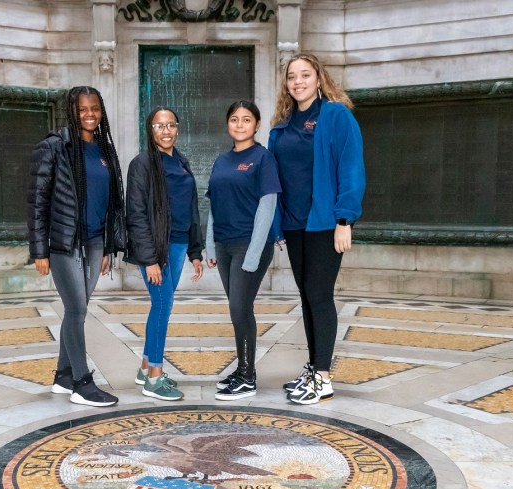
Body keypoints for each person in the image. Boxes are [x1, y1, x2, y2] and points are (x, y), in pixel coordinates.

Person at [269, 53, 365, 405]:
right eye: (292, 76)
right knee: (307, 296)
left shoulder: (336, 115)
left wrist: (345, 220)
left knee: (320, 295)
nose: (298, 81)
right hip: (295, 226)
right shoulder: (281, 125)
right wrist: (277, 224)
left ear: (318, 78)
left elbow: (351, 168)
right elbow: (275, 178)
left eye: (305, 75)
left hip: (325, 223)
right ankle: (314, 367)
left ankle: (323, 377)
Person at [27, 86, 125, 407]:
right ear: (72, 111)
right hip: (64, 242)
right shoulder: (55, 147)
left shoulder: (104, 149)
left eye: (94, 108)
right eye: (82, 109)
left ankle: (63, 375)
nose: (89, 115)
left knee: (76, 311)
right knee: (77, 309)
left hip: (95, 241)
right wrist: (40, 250)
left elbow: (112, 203)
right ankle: (82, 384)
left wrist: (109, 246)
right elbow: (38, 201)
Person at [126, 107, 204, 401]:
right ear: (150, 130)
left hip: (181, 244)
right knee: (162, 305)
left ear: (178, 128)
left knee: (163, 305)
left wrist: (195, 250)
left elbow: (191, 206)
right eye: (159, 126)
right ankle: (154, 378)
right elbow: (136, 214)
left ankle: (146, 367)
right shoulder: (142, 164)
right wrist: (150, 259)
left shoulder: (181, 161)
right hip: (158, 248)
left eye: (171, 125)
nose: (166, 130)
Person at [205, 100, 281, 400]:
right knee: (238, 310)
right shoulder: (221, 161)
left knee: (240, 307)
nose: (240, 124)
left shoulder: (263, 158)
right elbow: (213, 205)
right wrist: (211, 245)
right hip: (224, 246)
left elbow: (268, 206)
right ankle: (242, 369)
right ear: (228, 124)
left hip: (250, 245)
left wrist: (252, 254)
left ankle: (248, 377)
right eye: (234, 119)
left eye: (246, 119)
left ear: (257, 125)